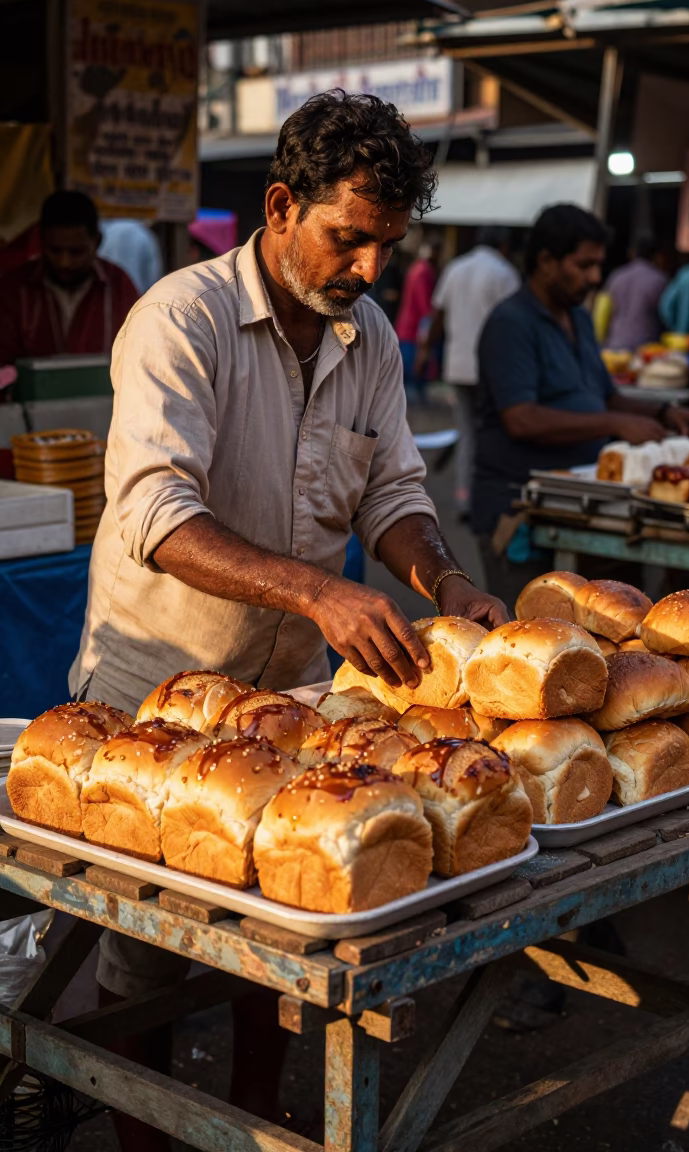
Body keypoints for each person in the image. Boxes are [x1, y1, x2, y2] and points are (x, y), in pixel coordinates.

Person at [69, 89, 508, 1150]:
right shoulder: (181, 319)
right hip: (157, 689)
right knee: (147, 956)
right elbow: (155, 514)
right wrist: (319, 588)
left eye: (385, 247)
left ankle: (257, 1115)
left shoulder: (369, 342)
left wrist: (446, 584)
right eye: (348, 239)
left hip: (293, 703)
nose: (368, 269)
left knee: (287, 942)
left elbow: (394, 493)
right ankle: (149, 1132)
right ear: (279, 206)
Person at [473, 204, 689, 611]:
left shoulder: (577, 317)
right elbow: (521, 419)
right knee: (533, 635)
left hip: (583, 504)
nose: (595, 277)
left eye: (598, 265)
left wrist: (663, 412)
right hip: (522, 509)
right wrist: (614, 423)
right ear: (546, 261)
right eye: (584, 265)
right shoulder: (511, 323)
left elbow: (604, 395)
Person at [417, 227, 520, 515]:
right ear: (504, 245)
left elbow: (438, 314)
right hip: (491, 369)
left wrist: (426, 349)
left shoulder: (456, 268)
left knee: (467, 432)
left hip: (458, 365)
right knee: (489, 433)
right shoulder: (505, 273)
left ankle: (464, 496)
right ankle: (484, 497)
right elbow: (515, 324)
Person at [0, 191, 138, 364]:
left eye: (76, 252)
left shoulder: (119, 285)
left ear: (97, 242)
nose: (65, 262)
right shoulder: (14, 288)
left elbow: (136, 352)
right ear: (40, 241)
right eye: (55, 251)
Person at [602, 232, 668, 350]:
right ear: (657, 256)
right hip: (645, 349)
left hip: (614, 344)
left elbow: (604, 311)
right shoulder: (659, 280)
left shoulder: (617, 276)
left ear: (632, 253)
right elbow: (666, 315)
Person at [394, 237, 441, 399]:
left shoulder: (416, 269)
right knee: (415, 373)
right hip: (414, 331)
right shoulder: (423, 272)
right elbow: (425, 307)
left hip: (408, 328)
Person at [98, 218, 164, 295]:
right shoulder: (144, 235)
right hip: (137, 299)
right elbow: (154, 277)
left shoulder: (104, 232)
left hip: (106, 296)